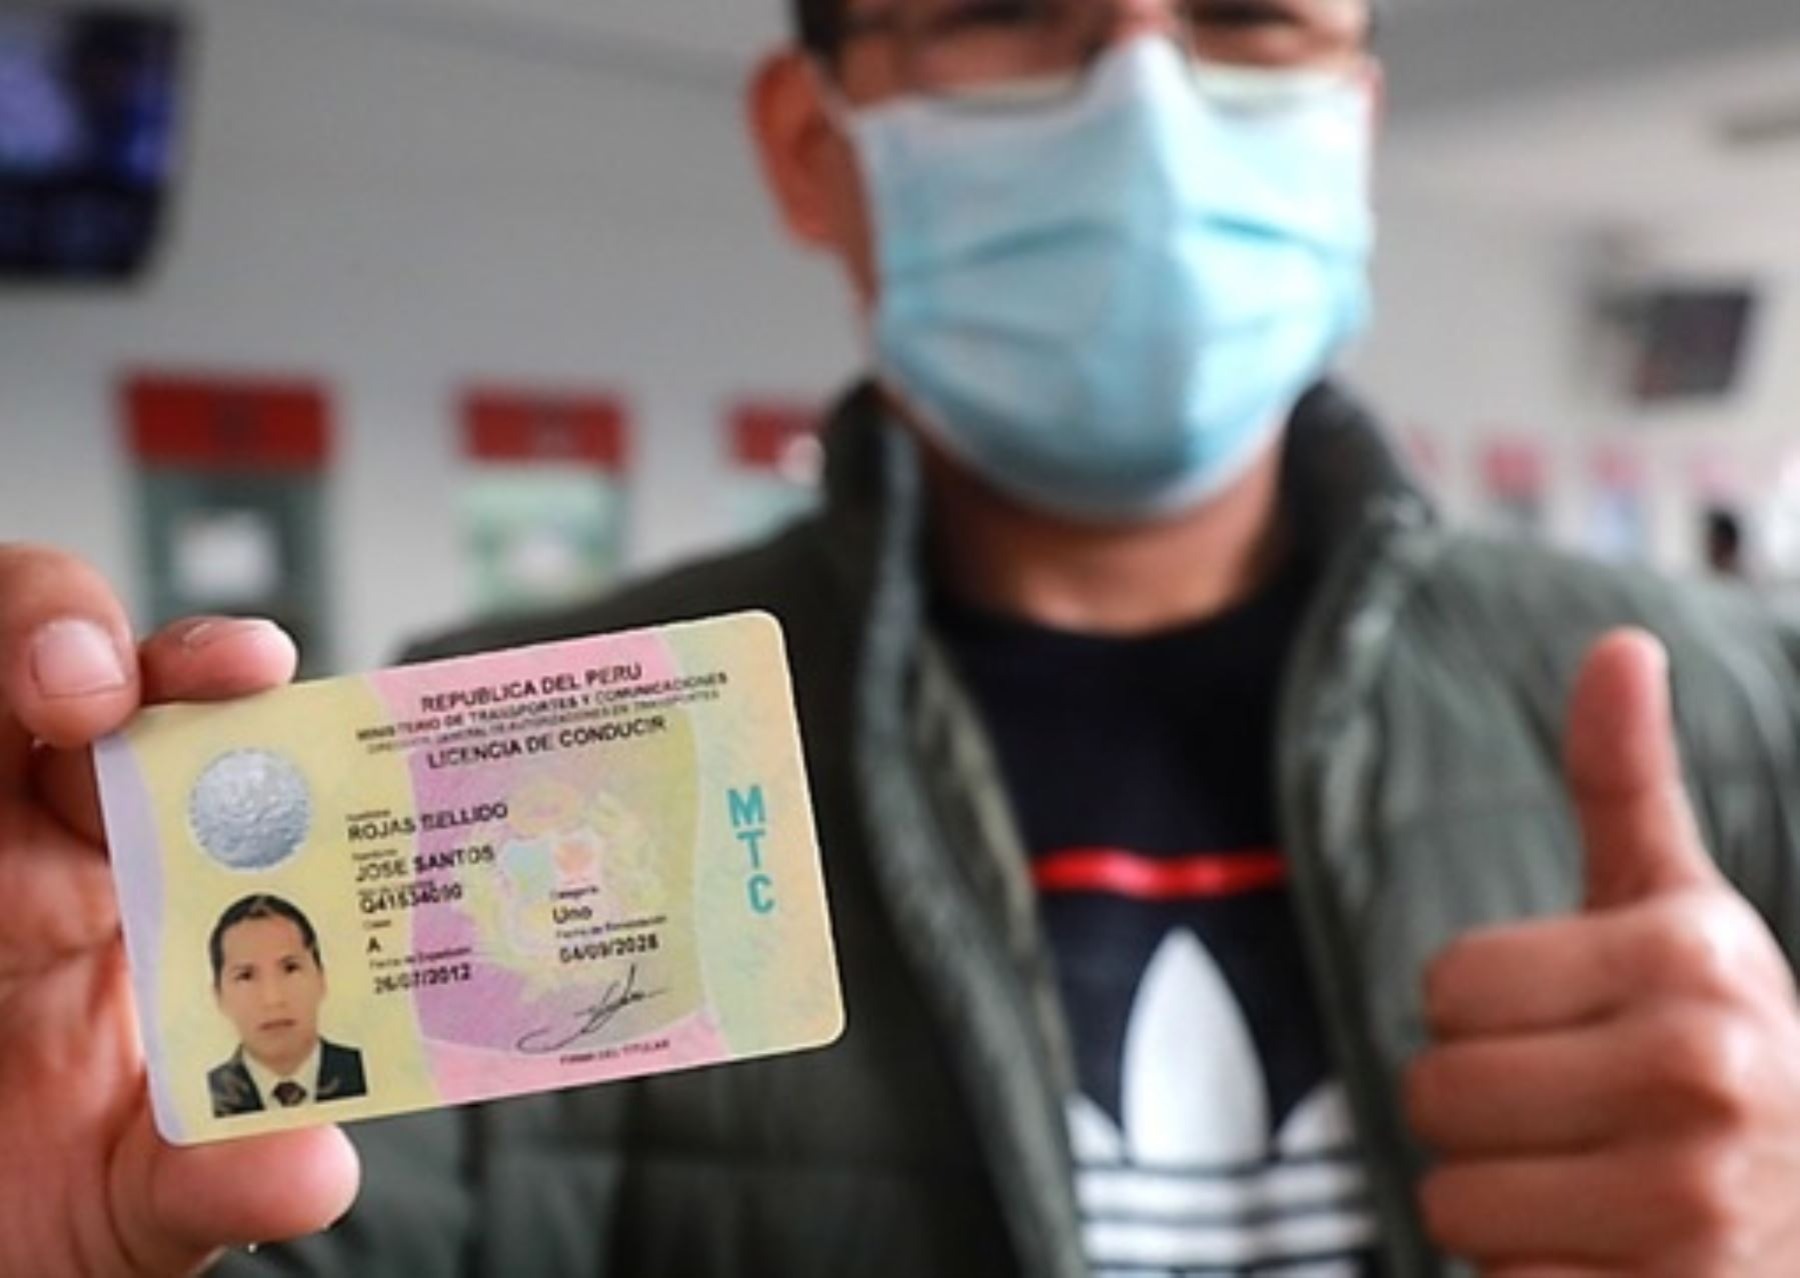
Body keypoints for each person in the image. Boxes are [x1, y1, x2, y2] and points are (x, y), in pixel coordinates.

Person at [3, 0, 1800, 1275]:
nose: (1148, 100)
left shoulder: (1735, 714)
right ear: (813, 146)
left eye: (1251, 14)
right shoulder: (498, 765)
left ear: (1357, 119)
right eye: (1011, 10)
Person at [206, 894, 367, 1118]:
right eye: (246, 976)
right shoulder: (206, 1098)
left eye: (290, 968)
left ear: (321, 979)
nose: (273, 999)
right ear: (219, 996)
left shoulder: (366, 1071)